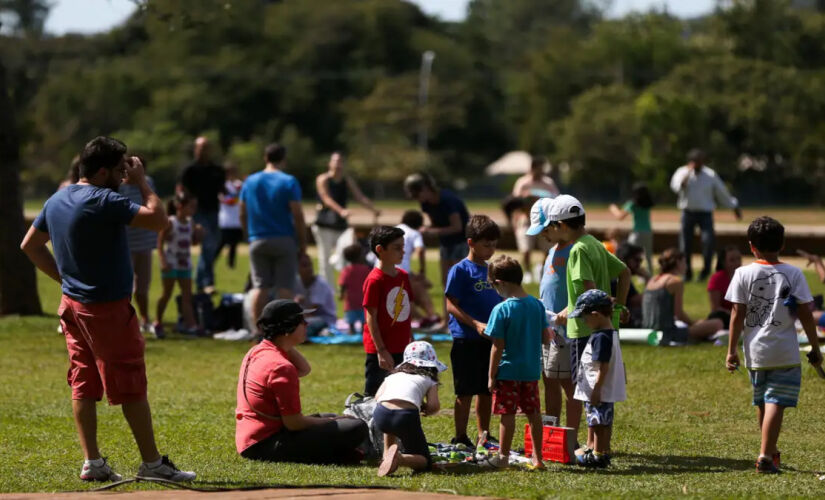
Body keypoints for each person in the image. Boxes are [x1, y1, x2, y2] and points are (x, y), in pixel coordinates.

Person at [20, 136, 195, 482]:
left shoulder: (57, 198)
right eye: (119, 170)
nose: (123, 176)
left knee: (83, 381)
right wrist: (143, 182)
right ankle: (152, 463)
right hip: (107, 309)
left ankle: (94, 462)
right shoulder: (104, 200)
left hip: (72, 306)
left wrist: (66, 280)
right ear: (103, 172)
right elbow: (159, 221)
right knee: (129, 380)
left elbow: (30, 245)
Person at [724, 216, 823, 473]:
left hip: (755, 353)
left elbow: (737, 315)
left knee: (763, 402)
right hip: (784, 352)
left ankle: (771, 451)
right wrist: (815, 347)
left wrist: (731, 350)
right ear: (783, 243)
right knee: (775, 402)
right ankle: (766, 456)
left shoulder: (742, 273)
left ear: (751, 246)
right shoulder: (793, 273)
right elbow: (805, 314)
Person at [236, 299, 368, 464]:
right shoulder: (281, 367)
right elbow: (293, 423)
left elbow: (305, 369)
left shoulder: (258, 350)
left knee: (334, 418)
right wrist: (329, 422)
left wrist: (287, 342)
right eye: (301, 321)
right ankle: (337, 455)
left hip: (253, 438)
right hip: (265, 445)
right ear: (288, 328)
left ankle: (340, 452)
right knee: (356, 427)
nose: (307, 324)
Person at [550, 194, 630, 453]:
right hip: (605, 325)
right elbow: (625, 272)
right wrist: (620, 307)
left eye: (553, 225)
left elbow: (588, 294)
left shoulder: (578, 250)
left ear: (562, 225)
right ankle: (593, 444)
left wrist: (577, 312)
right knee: (600, 388)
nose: (551, 231)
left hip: (584, 330)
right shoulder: (594, 243)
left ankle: (594, 447)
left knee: (588, 388)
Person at [484, 255, 551, 470]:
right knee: (534, 414)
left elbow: (497, 346)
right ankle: (538, 458)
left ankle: (503, 457)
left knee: (507, 414)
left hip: (507, 371)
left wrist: (491, 375)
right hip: (531, 371)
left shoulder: (501, 309)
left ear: (500, 283)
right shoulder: (536, 306)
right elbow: (546, 337)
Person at [444, 215, 502, 448]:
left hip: (489, 340)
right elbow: (450, 304)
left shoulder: (491, 270)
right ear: (471, 242)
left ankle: (483, 435)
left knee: (486, 390)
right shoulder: (460, 270)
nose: (491, 249)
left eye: (494, 245)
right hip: (465, 339)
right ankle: (460, 436)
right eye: (486, 245)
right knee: (465, 391)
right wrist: (475, 324)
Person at [239, 143, 308, 336]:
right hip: (283, 238)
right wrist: (302, 243)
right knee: (285, 288)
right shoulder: (288, 181)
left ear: (265, 158)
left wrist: (248, 235)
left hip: (257, 239)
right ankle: (283, 331)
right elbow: (297, 214)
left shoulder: (250, 181)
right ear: (283, 159)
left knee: (260, 287)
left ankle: (258, 331)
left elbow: (242, 212)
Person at [526, 198, 576, 426]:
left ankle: (571, 434)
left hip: (565, 330)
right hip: (548, 328)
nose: (541, 235)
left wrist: (567, 311)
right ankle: (552, 429)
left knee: (567, 381)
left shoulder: (574, 251)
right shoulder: (552, 251)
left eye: (545, 230)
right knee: (549, 378)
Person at [569, 290, 626, 468]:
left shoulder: (601, 337)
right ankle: (600, 450)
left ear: (596, 315)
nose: (584, 322)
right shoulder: (608, 333)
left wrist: (597, 389)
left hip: (598, 390)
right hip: (600, 389)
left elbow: (603, 366)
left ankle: (598, 455)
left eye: (584, 318)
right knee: (601, 420)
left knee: (599, 422)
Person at [404, 172, 470, 325]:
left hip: (460, 243)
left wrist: (431, 231)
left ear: (426, 188)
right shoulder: (425, 204)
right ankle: (447, 321)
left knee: (458, 283)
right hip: (445, 243)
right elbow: (436, 225)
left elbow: (457, 227)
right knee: (446, 283)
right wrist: (426, 229)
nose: (416, 199)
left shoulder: (448, 200)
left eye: (417, 194)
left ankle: (462, 320)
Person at [374, 341, 446, 476]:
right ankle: (399, 458)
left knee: (389, 426)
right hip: (405, 417)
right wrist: (424, 408)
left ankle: (387, 455)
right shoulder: (429, 379)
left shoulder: (392, 376)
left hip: (381, 414)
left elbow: (378, 397)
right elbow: (434, 406)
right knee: (424, 461)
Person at [669, 148, 742, 281]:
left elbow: (722, 193)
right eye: (695, 161)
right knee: (685, 244)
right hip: (688, 213)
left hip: (705, 214)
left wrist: (733, 206)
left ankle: (705, 272)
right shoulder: (682, 172)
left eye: (700, 161)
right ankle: (687, 272)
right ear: (691, 161)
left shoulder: (710, 175)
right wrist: (687, 174)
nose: (698, 164)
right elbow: (676, 187)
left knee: (708, 242)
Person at [313, 152, 381, 285]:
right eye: (335, 161)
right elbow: (326, 198)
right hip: (324, 224)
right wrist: (341, 211)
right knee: (324, 258)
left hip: (340, 225)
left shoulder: (346, 180)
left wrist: (373, 209)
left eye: (340, 162)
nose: (338, 165)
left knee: (346, 252)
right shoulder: (323, 179)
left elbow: (359, 197)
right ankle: (328, 289)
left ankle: (346, 283)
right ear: (330, 164)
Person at [362, 226, 414, 396]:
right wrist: (381, 350)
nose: (402, 252)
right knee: (375, 393)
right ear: (380, 250)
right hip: (382, 348)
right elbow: (371, 318)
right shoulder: (375, 280)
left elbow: (406, 311)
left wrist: (411, 339)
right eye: (397, 248)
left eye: (403, 247)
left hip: (402, 345)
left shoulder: (403, 276)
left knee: (400, 391)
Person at [642, 248, 724, 343]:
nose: (686, 266)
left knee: (702, 324)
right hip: (667, 332)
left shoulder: (652, 280)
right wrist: (693, 324)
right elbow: (679, 314)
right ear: (677, 262)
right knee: (717, 323)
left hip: (647, 329)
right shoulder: (675, 281)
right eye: (684, 262)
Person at [153, 192, 203, 338]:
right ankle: (158, 322)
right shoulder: (170, 222)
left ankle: (191, 325)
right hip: (171, 263)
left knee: (187, 296)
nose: (193, 210)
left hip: (185, 264)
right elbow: (160, 243)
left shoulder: (191, 222)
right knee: (166, 294)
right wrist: (163, 261)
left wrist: (199, 234)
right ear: (180, 206)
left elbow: (192, 242)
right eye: (190, 206)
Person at [180, 136, 226, 294]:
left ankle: (199, 281)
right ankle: (208, 283)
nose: (202, 151)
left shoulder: (217, 170)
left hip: (214, 211)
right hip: (197, 213)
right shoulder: (190, 171)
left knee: (213, 246)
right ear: (195, 149)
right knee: (208, 244)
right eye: (199, 148)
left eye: (205, 148)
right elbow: (182, 191)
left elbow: (222, 190)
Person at [119, 155, 158, 333]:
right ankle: (124, 320)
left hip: (145, 243)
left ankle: (145, 319)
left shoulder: (147, 182)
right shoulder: (118, 186)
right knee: (124, 287)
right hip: (125, 244)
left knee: (143, 287)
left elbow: (154, 206)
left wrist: (142, 183)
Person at [511, 156, 560, 282]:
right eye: (539, 168)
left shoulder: (548, 183)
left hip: (544, 221)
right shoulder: (523, 182)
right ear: (532, 168)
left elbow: (556, 198)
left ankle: (541, 269)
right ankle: (527, 271)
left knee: (546, 248)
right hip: (525, 220)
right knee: (526, 248)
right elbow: (515, 202)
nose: (541, 171)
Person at [397, 210, 439, 327]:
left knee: (401, 294)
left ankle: (423, 318)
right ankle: (430, 317)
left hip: (384, 268)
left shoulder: (394, 230)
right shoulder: (414, 233)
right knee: (416, 289)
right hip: (401, 269)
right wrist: (422, 271)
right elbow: (420, 250)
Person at [609, 182, 654, 273]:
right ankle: (649, 275)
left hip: (637, 233)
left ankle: (626, 272)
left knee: (626, 253)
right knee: (648, 256)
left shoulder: (632, 204)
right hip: (648, 232)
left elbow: (620, 216)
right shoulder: (648, 204)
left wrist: (613, 208)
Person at [294, 253, 337, 337]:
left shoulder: (320, 284)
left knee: (302, 326)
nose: (309, 268)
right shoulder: (297, 282)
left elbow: (313, 310)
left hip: (324, 318)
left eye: (310, 265)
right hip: (306, 316)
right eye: (304, 265)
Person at [613, 242, 649, 328]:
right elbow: (638, 301)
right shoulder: (619, 277)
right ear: (625, 259)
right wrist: (647, 279)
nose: (639, 265)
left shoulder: (615, 272)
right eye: (637, 260)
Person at [339, 244, 372, 335]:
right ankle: (362, 330)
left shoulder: (346, 270)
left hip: (350, 301)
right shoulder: (366, 269)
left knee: (351, 319)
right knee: (364, 320)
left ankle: (351, 330)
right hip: (363, 300)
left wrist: (341, 295)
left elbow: (343, 285)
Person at [217, 161, 244, 269]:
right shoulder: (222, 185)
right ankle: (212, 261)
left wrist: (234, 197)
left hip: (236, 221)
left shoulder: (239, 184)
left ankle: (231, 265)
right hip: (225, 221)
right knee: (221, 244)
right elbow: (225, 200)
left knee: (234, 245)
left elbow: (239, 198)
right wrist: (234, 198)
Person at [707, 245, 742, 326]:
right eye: (732, 260)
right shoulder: (716, 278)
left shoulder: (745, 277)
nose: (737, 263)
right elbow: (715, 308)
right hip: (724, 319)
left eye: (738, 259)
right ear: (723, 262)